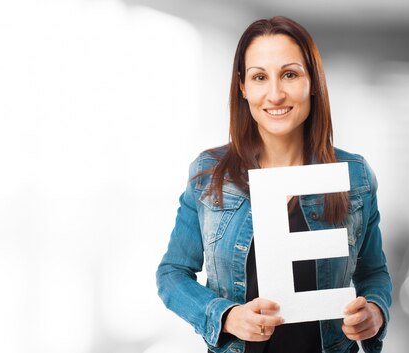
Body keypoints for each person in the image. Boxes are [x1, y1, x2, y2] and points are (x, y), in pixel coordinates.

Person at [156, 16, 392, 353]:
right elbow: (172, 274)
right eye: (260, 77)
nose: (275, 94)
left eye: (290, 74)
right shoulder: (209, 174)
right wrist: (227, 316)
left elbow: (374, 274)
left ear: (313, 81)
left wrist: (374, 313)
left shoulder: (355, 176)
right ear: (243, 86)